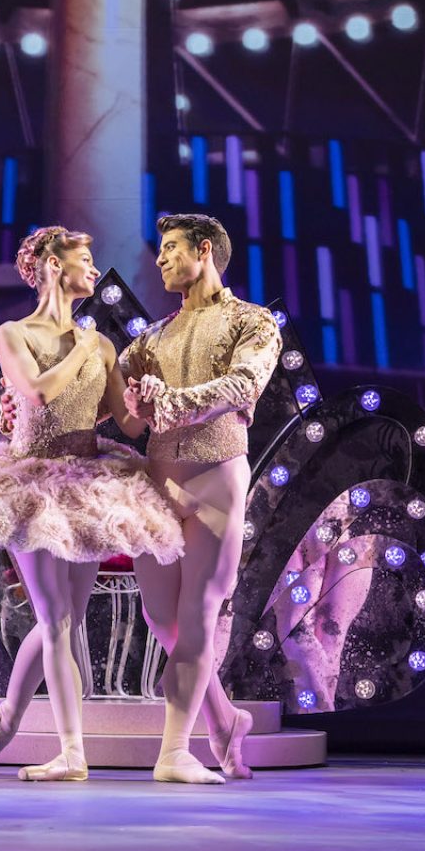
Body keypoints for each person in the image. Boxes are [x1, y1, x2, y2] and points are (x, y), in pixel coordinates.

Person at [0, 226, 184, 782]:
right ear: (53, 265)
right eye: (85, 259)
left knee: (65, 618)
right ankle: (72, 752)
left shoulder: (101, 345)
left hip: (88, 479)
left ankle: (6, 716)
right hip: (29, 484)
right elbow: (40, 392)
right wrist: (79, 345)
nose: (95, 269)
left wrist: (144, 401)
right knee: (56, 621)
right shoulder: (13, 334)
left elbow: (120, 421)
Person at [120, 214, 282, 784]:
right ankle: (224, 719)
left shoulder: (253, 322)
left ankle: (174, 753)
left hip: (216, 477)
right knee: (160, 616)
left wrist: (169, 401)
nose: (160, 259)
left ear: (204, 250)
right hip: (157, 485)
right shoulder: (149, 339)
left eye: (170, 249)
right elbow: (116, 404)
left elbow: (243, 386)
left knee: (197, 618)